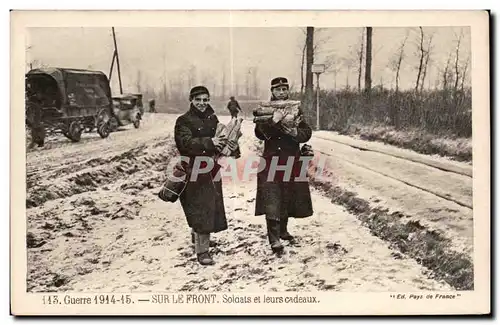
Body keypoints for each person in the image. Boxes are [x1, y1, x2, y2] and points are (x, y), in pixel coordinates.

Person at [174, 85, 237, 265]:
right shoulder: (183, 120)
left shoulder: (212, 118)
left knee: (208, 206)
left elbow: (222, 140)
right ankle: (202, 252)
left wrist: (230, 146)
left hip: (212, 168)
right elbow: (184, 144)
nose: (202, 103)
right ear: (191, 100)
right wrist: (210, 142)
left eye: (205, 100)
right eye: (198, 100)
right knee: (201, 207)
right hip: (194, 169)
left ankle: (200, 239)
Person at [254, 77, 314, 255]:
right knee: (272, 196)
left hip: (291, 159)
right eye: (277, 89)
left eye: (284, 89)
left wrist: (297, 132)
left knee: (287, 193)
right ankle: (274, 238)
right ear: (272, 92)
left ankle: (283, 230)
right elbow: (260, 133)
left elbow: (307, 131)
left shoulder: (295, 108)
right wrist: (274, 121)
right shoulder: (264, 110)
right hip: (271, 160)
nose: (281, 92)